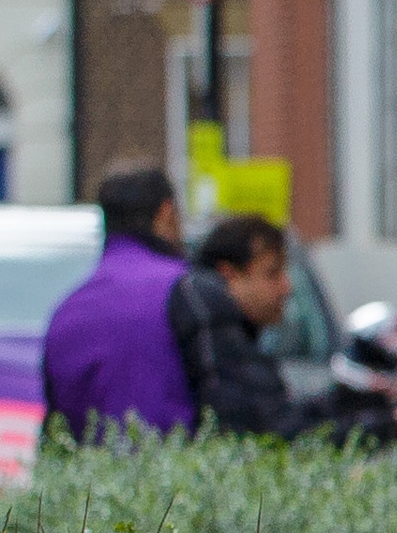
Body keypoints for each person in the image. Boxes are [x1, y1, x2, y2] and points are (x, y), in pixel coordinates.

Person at [40, 164, 196, 439]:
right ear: (166, 213)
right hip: (177, 469)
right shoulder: (186, 289)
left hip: (96, 474)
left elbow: (57, 428)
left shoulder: (68, 310)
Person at [168, 212, 307, 434]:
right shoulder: (213, 335)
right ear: (228, 275)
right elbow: (267, 427)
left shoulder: (228, 334)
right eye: (272, 274)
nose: (286, 287)